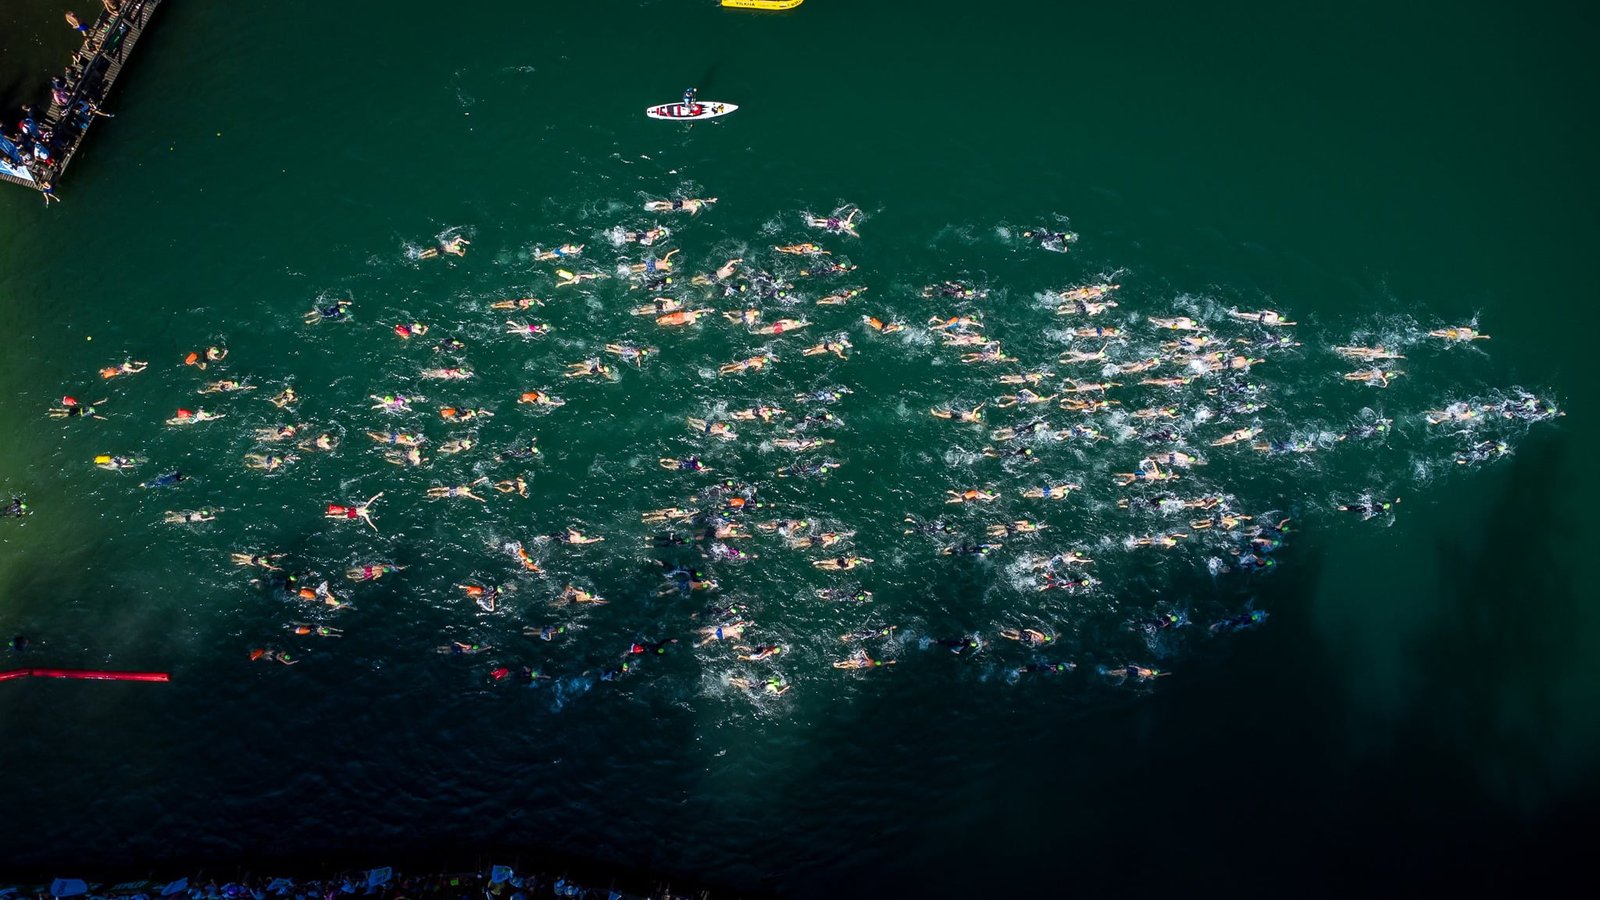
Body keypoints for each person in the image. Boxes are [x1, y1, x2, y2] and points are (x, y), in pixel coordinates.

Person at [645, 197, 717, 214]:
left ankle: (657, 202)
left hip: (680, 202)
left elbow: (703, 200)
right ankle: (655, 209)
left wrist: (711, 200)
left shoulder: (694, 200)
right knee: (666, 207)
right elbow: (692, 214)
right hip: (680, 206)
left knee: (667, 204)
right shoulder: (694, 208)